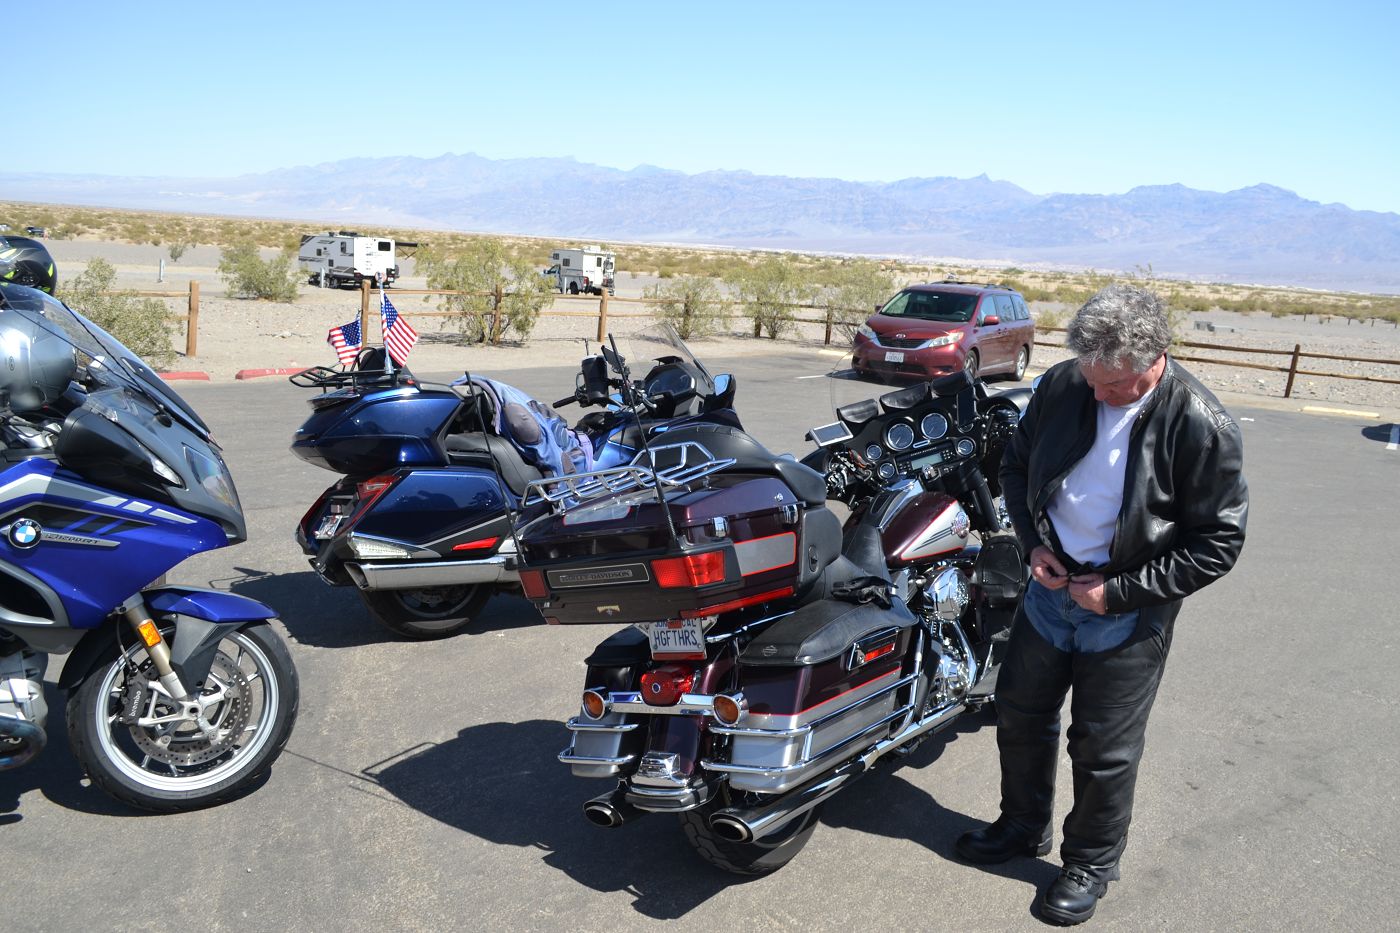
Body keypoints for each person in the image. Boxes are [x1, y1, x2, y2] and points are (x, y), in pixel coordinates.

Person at [955, 284, 1248, 924]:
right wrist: (1033, 545)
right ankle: (1021, 826)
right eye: (1090, 379)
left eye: (1111, 385)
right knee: (1019, 715)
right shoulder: (1067, 384)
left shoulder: (1200, 422)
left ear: (1155, 358)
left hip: (1128, 607)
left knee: (1102, 748)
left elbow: (1218, 543)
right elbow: (1016, 467)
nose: (1097, 394)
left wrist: (1116, 592)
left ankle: (1089, 862)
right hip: (1049, 589)